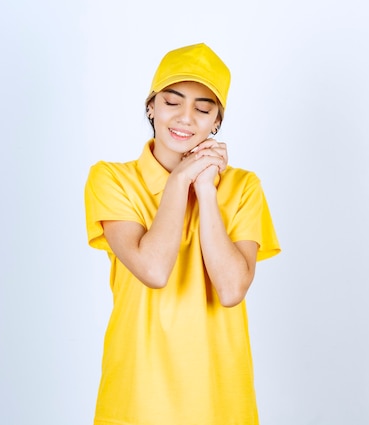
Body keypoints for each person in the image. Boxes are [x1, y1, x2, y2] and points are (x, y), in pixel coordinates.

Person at [84, 42, 281, 425]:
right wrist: (181, 180)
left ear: (216, 122)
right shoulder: (111, 178)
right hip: (137, 393)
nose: (186, 118)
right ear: (151, 107)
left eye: (203, 109)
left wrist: (206, 190)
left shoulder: (243, 187)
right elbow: (153, 270)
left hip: (219, 394)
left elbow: (231, 290)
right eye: (172, 102)